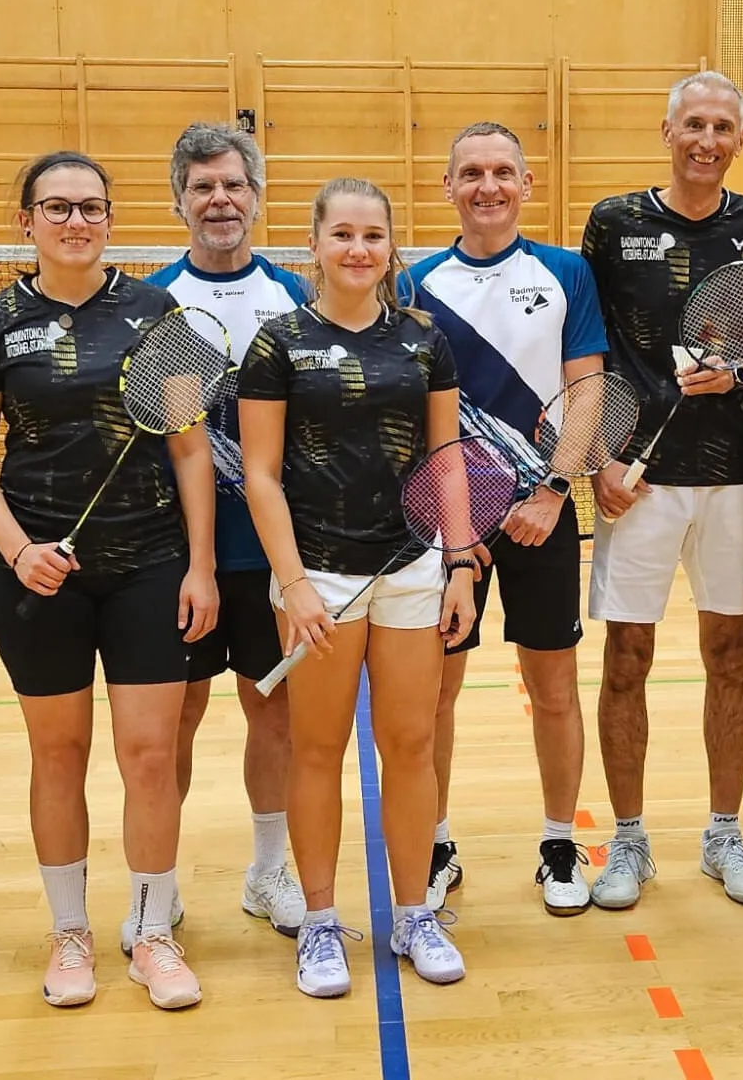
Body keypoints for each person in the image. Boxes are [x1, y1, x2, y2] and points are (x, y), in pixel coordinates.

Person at [0, 151, 219, 1010]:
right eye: (58, 207)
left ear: (110, 219)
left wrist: (202, 565)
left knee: (150, 756)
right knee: (58, 755)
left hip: (149, 565)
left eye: (92, 207)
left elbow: (189, 449)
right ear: (26, 220)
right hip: (37, 579)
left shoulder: (156, 311)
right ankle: (69, 933)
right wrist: (17, 549)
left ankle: (151, 932)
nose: (76, 222)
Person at [239, 177, 475, 997]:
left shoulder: (423, 339)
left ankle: (414, 915)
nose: (357, 249)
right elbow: (261, 475)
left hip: (411, 569)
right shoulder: (277, 343)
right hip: (319, 576)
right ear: (314, 244)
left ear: (390, 246)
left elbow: (447, 460)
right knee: (317, 749)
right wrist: (294, 584)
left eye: (373, 235)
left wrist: (460, 563)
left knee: (409, 745)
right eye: (341, 234)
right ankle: (318, 923)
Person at [579, 71, 743, 910]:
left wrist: (736, 377)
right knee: (627, 658)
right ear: (667, 132)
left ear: (740, 140)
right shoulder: (614, 222)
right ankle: (628, 840)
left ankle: (724, 835)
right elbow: (587, 347)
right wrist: (598, 457)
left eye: (722, 127)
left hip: (731, 475)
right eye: (693, 124)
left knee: (729, 655)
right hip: (638, 479)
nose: (707, 140)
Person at [404, 122, 608, 916]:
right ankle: (435, 843)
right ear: (448, 187)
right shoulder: (413, 286)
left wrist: (554, 491)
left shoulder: (565, 273)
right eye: (471, 173)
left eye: (501, 172)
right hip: (451, 520)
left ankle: (559, 843)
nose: (486, 186)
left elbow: (586, 388)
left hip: (541, 515)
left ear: (526, 183)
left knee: (553, 687)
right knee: (434, 694)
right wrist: (452, 523)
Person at [147, 122, 307, 942]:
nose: (220, 200)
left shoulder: (297, 298)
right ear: (178, 200)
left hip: (272, 553)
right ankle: (158, 883)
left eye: (233, 185)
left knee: (272, 714)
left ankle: (268, 871)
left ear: (257, 196)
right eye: (203, 186)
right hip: (173, 556)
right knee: (171, 721)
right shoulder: (148, 303)